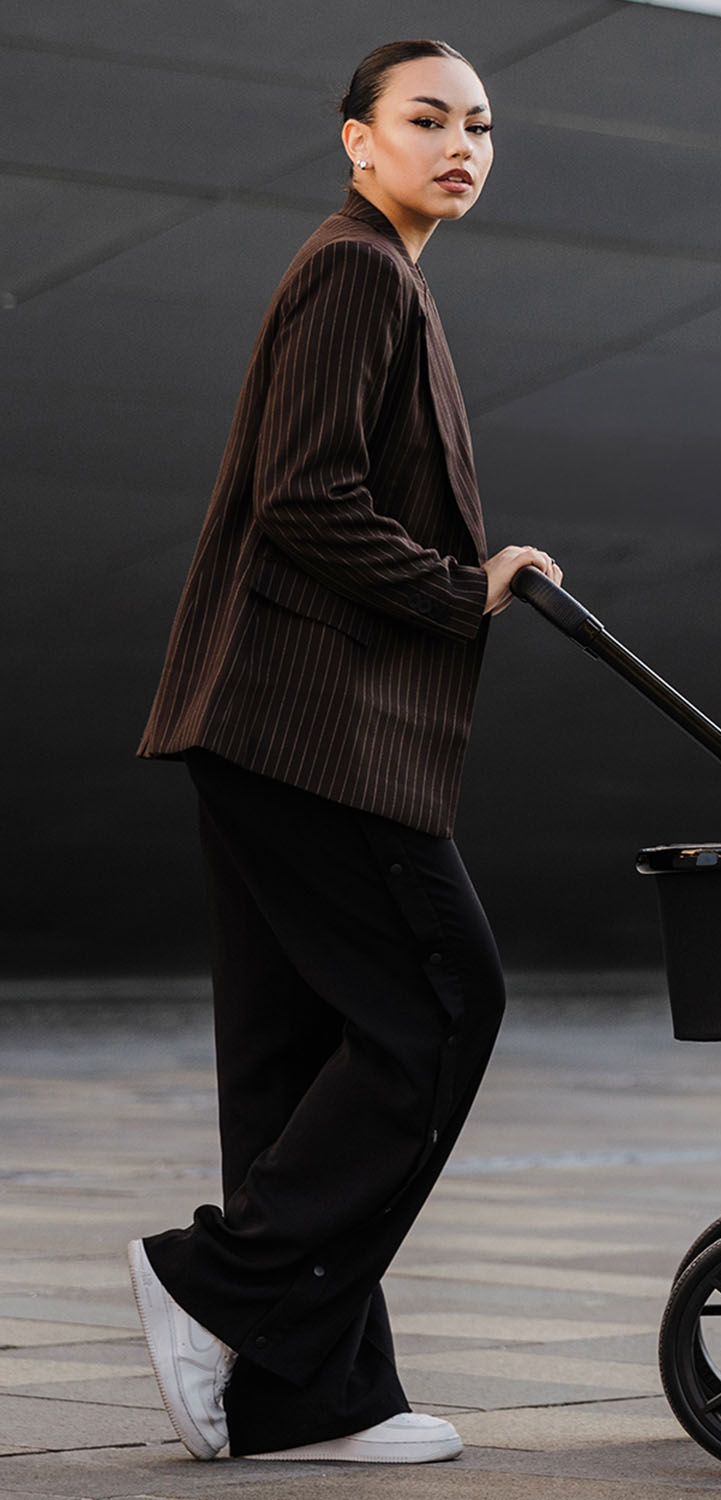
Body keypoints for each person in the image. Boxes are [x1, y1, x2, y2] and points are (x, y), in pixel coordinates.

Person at [127, 39, 561, 1465]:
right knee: (444, 1003)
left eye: (480, 124)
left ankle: (300, 1400)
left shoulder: (383, 275)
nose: (462, 144)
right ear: (355, 141)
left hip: (261, 720)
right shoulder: (357, 270)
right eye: (427, 118)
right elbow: (302, 496)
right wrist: (463, 585)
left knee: (292, 1053)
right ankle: (220, 1281)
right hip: (307, 721)